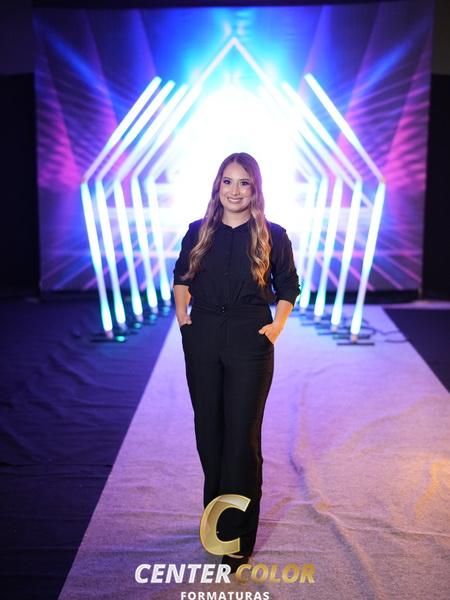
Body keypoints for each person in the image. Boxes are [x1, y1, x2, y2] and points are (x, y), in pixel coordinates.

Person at [172, 152, 300, 573]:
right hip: (204, 337)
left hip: (250, 338)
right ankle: (217, 521)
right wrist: (184, 320)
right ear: (218, 186)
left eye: (244, 182)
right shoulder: (198, 231)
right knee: (209, 432)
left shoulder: (273, 235)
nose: (235, 190)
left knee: (241, 438)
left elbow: (289, 284)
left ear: (255, 189)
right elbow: (181, 276)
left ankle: (238, 538)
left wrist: (276, 326)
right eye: (228, 181)